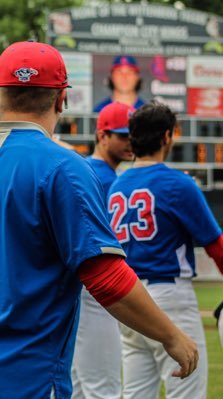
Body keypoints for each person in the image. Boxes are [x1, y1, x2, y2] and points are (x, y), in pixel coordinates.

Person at [0, 42, 198, 399]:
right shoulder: (65, 167)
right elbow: (105, 277)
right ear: (60, 100)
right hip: (28, 376)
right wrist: (171, 336)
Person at [108, 101, 223, 399]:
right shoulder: (177, 184)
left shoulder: (116, 187)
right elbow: (216, 246)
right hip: (168, 296)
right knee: (187, 392)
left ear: (132, 139)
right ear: (167, 137)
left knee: (136, 394)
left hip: (129, 299)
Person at [72, 102, 134, 399]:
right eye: (122, 135)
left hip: (71, 287)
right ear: (102, 135)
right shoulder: (107, 178)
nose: (129, 142)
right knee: (103, 387)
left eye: (132, 135)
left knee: (78, 387)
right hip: (95, 286)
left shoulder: (81, 168)